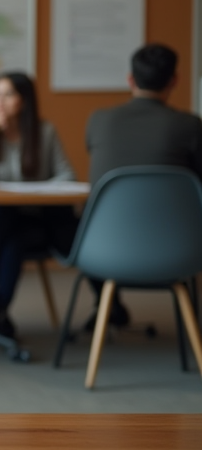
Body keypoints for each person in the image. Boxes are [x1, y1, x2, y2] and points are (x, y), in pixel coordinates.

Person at [81, 42, 202, 329]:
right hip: (177, 249)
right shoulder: (191, 126)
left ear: (130, 79)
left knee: (71, 225)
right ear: (174, 80)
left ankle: (106, 301)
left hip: (103, 249)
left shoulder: (99, 120)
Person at [0, 72, 76, 337]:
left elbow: (67, 176)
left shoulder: (44, 131)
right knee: (3, 217)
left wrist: (38, 189)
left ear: (24, 101)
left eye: (8, 94)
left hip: (28, 217)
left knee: (14, 237)